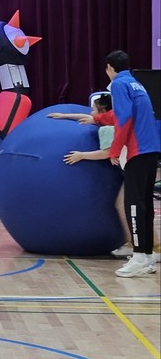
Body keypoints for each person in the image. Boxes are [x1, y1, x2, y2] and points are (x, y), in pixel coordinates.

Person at [50, 95, 160, 261]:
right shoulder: (115, 119)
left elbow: (107, 153)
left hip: (135, 168)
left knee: (131, 207)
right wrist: (65, 115)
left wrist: (81, 155)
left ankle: (150, 246)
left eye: (93, 109)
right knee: (131, 206)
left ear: (102, 110)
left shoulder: (107, 129)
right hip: (137, 167)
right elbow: (88, 118)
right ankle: (137, 243)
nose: (91, 113)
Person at [102, 50, 161, 277]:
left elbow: (124, 118)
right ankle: (147, 256)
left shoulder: (118, 84)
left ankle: (138, 258)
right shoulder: (137, 84)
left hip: (138, 150)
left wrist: (115, 150)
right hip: (152, 149)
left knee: (134, 205)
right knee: (144, 203)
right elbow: (125, 114)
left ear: (109, 67)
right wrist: (97, 118)